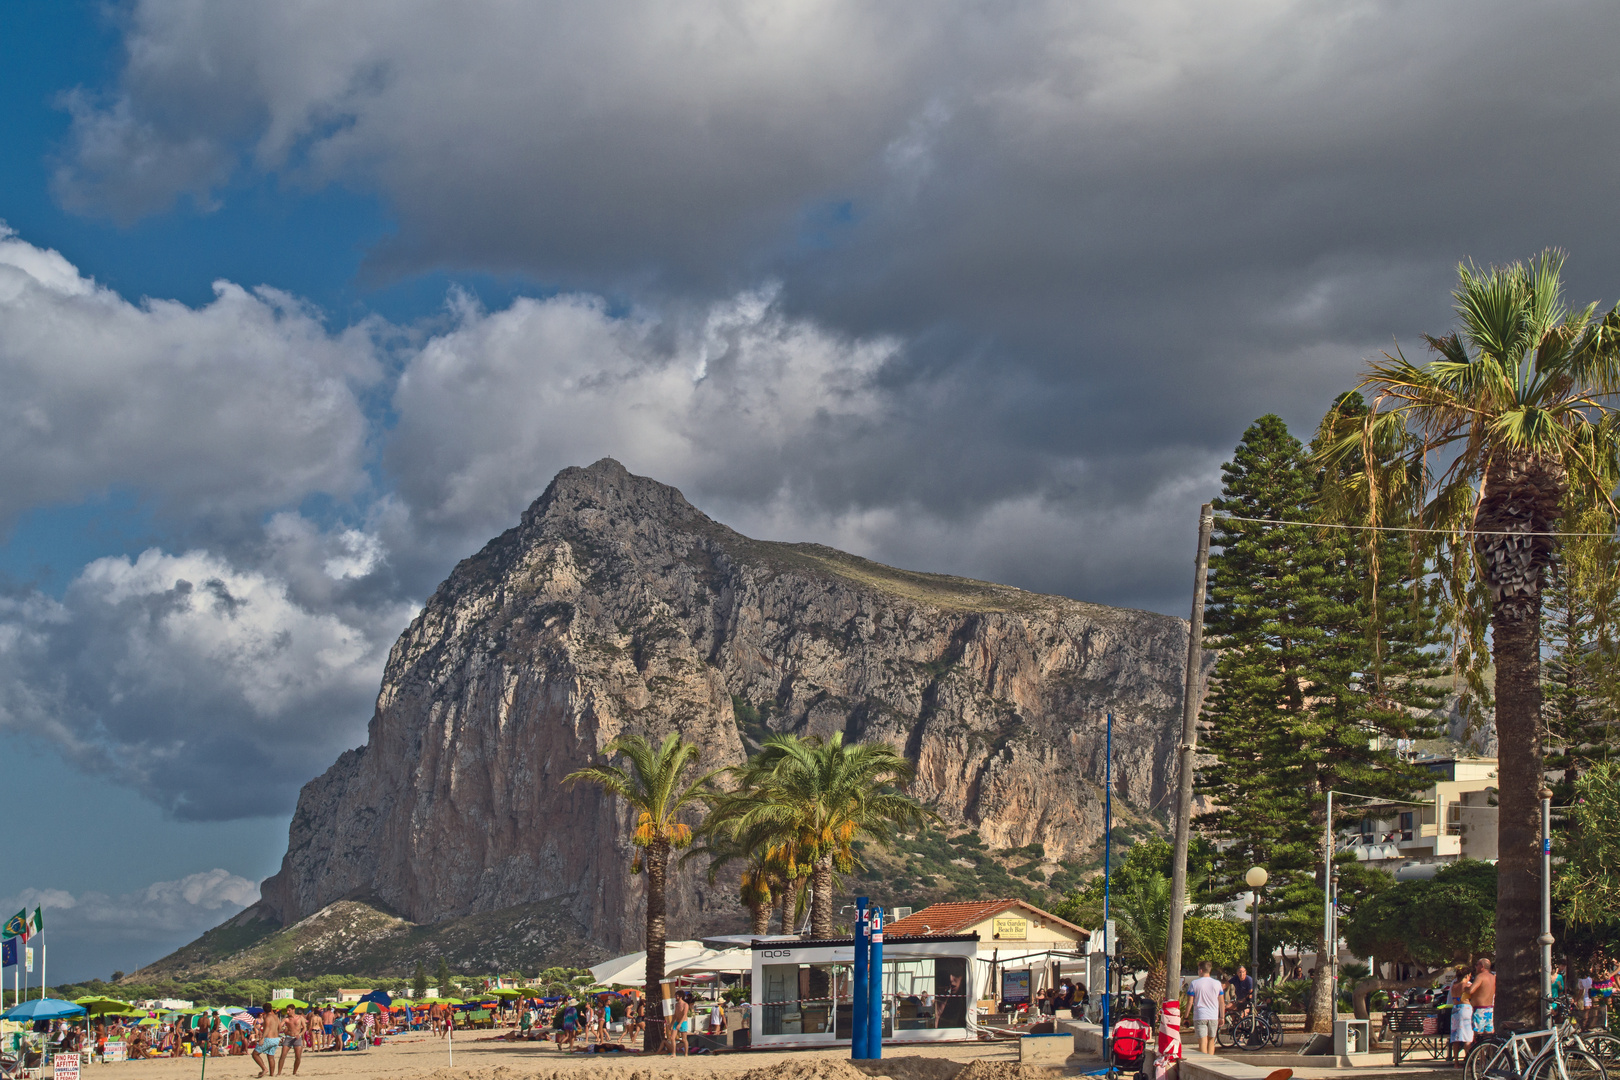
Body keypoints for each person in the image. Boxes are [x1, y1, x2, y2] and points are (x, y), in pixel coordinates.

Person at [1186, 961, 1224, 1055]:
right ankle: (1210, 1060)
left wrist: (1186, 1016)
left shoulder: (1194, 983)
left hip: (1200, 1015)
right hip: (1213, 1016)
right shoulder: (1217, 984)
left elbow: (1190, 1001)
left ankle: (1204, 1061)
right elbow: (1221, 1002)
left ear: (1201, 970)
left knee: (1203, 1042)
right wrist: (1222, 1017)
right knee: (1211, 1040)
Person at [1446, 965, 1474, 1063]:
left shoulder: (1453, 986)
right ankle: (1468, 1061)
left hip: (1455, 1010)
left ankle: (1456, 1062)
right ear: (1466, 975)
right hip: (1465, 1009)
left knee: (1456, 1038)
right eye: (1469, 975)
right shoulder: (1467, 986)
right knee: (1468, 1037)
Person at [253, 1006, 284, 1078]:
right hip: (276, 1039)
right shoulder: (276, 1017)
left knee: (255, 1054)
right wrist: (276, 1033)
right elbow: (280, 1028)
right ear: (271, 1009)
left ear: (264, 1010)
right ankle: (272, 1074)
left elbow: (266, 1028)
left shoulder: (267, 1018)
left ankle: (264, 1069)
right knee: (271, 1056)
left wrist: (262, 1038)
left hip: (268, 1039)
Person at [1469, 957, 1496, 1038]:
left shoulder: (1480, 976)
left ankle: (1479, 1050)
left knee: (1478, 1035)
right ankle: (1488, 1050)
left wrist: (1464, 988)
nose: (1475, 967)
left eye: (1477, 965)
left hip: (1480, 1009)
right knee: (1489, 1034)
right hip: (1490, 1009)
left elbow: (1471, 990)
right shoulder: (1493, 977)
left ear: (1482, 966)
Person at [279, 1007, 305, 1075]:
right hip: (288, 1037)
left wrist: (300, 1034)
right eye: (287, 1010)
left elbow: (305, 1028)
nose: (287, 1012)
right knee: (283, 1055)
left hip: (297, 1038)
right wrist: (282, 1028)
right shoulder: (286, 1019)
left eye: (289, 1010)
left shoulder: (300, 1017)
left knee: (298, 1056)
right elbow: (280, 1026)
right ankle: (279, 1072)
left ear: (293, 1010)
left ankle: (294, 1072)